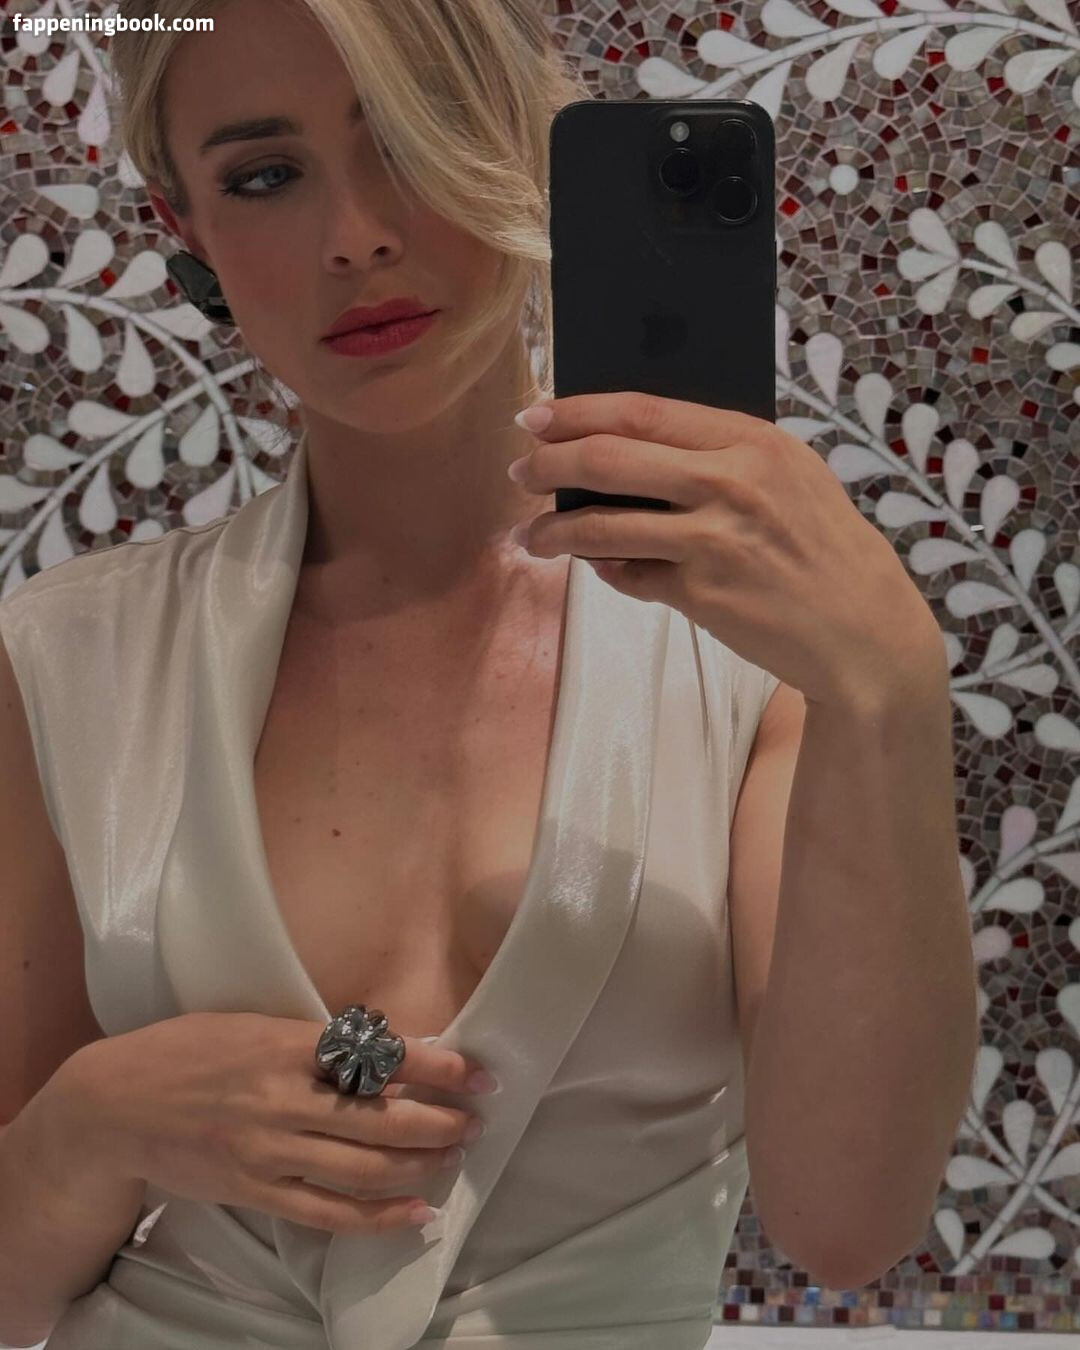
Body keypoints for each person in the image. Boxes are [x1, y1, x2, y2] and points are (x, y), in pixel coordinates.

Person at [0, 0, 783, 1345]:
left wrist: (893, 684)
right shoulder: (66, 657)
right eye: (265, 176)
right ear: (187, 229)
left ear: (528, 144)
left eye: (412, 143)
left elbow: (853, 1224)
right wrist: (91, 1125)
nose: (356, 235)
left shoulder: (756, 646)